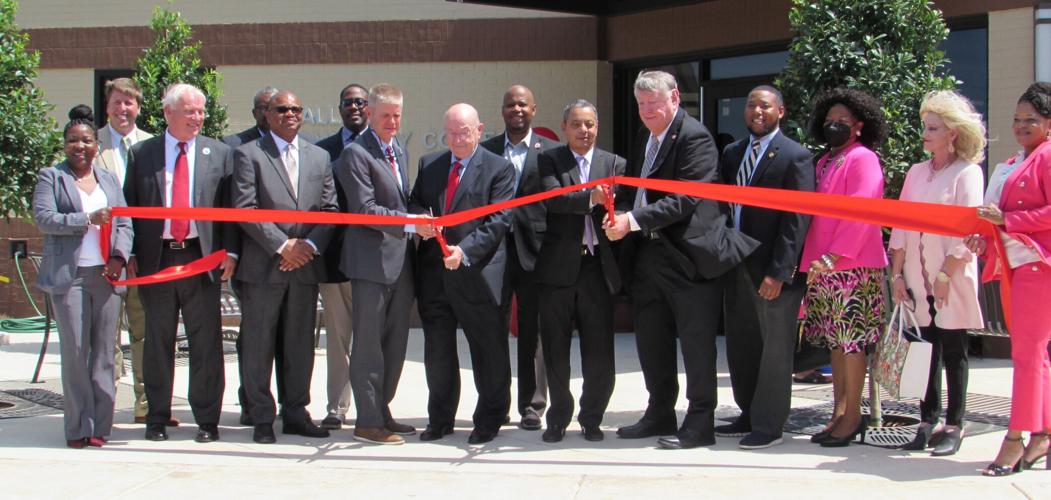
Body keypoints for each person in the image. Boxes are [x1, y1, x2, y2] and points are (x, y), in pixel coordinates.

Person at [605, 70, 758, 450]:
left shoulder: (695, 137)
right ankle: (659, 412)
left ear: (674, 98)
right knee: (652, 340)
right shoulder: (646, 135)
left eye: (653, 104)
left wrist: (632, 220)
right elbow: (635, 186)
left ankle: (700, 421)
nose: (646, 112)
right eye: (640, 105)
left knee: (696, 343)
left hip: (689, 259)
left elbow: (685, 199)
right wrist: (618, 211)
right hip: (648, 255)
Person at [124, 83, 239, 443]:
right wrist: (128, 254)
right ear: (168, 113)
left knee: (206, 342)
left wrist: (231, 253)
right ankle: (156, 415)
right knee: (157, 341)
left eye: (201, 111)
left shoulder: (219, 153)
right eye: (190, 111)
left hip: (201, 258)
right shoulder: (142, 153)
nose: (197, 118)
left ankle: (207, 418)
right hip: (156, 260)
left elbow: (231, 211)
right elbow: (129, 207)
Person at [233, 90, 338, 444]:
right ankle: (262, 416)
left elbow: (330, 210)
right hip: (264, 267)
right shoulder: (248, 155)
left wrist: (307, 246)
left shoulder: (320, 156)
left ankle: (295, 413)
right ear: (267, 115)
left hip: (304, 268)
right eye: (281, 109)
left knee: (299, 346)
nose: (289, 113)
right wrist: (282, 246)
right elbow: (245, 209)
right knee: (258, 346)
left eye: (296, 108)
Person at [410, 103, 515, 445]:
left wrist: (465, 251)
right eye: (451, 132)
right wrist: (418, 224)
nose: (456, 139)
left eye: (464, 132)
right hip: (435, 277)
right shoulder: (431, 165)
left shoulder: (499, 169)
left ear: (480, 130)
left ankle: (490, 417)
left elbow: (498, 220)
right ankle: (440, 419)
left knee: (488, 352)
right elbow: (416, 204)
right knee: (437, 353)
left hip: (478, 274)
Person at [889, 90, 986, 457]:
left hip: (952, 275)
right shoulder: (916, 172)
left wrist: (947, 273)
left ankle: (955, 424)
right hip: (916, 273)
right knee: (924, 349)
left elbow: (970, 227)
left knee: (954, 351)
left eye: (933, 128)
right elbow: (899, 224)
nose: (925, 134)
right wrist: (896, 275)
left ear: (953, 133)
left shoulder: (968, 173)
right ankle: (926, 420)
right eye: (925, 127)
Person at [717, 85, 815, 449]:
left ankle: (770, 424)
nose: (757, 111)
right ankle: (748, 413)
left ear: (781, 111)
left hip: (772, 271)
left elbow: (797, 219)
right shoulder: (732, 153)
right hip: (736, 263)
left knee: (774, 350)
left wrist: (780, 272)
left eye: (765, 106)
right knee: (743, 345)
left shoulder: (795, 156)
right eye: (751, 105)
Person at [33, 105, 132, 449]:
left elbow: (123, 222)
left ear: (95, 144)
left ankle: (100, 426)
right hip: (69, 277)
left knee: (106, 353)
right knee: (77, 353)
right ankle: (77, 426)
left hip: (105, 276)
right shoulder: (52, 177)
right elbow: (45, 219)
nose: (80, 146)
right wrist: (87, 218)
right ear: (65, 145)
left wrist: (119, 257)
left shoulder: (108, 179)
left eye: (86, 140)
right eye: (73, 140)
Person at [967, 82, 1051, 476]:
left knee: (1027, 355)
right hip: (1016, 265)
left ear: (1048, 123)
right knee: (1036, 357)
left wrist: (1009, 221)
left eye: (1030, 120)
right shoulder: (1018, 160)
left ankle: (1015, 437)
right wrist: (985, 236)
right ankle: (1043, 434)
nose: (1021, 126)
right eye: (1017, 119)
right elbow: (996, 218)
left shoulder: (1048, 157)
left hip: (1039, 267)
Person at [335, 83, 426, 445]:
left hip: (400, 260)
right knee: (369, 343)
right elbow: (364, 210)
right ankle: (368, 421)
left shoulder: (397, 150)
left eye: (398, 115)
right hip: (370, 263)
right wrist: (410, 223)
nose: (392, 122)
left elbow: (402, 200)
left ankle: (382, 410)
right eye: (385, 115)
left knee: (395, 342)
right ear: (369, 113)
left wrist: (418, 221)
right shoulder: (355, 154)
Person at [800, 87, 888, 448]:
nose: (834, 126)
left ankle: (854, 416)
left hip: (852, 266)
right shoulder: (823, 161)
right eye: (829, 121)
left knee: (851, 345)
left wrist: (836, 257)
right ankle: (838, 412)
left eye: (843, 122)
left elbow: (863, 210)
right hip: (823, 269)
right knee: (836, 346)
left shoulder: (862, 158)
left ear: (859, 126)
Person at [534, 99, 624, 443]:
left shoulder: (614, 164)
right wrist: (590, 197)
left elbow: (625, 212)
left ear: (596, 128)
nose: (583, 131)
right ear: (564, 128)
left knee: (599, 352)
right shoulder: (549, 160)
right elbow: (553, 199)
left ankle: (592, 417)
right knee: (556, 350)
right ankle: (558, 418)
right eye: (576, 124)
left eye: (589, 124)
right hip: (558, 270)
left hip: (597, 269)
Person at [480, 84, 559, 431]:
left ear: (534, 109)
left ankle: (532, 405)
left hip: (534, 252)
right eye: (510, 105)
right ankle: (496, 405)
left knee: (532, 331)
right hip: (493, 253)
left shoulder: (552, 152)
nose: (516, 110)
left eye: (522, 104)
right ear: (502, 111)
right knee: (492, 330)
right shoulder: (486, 151)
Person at [93, 77, 156, 425]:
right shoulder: (92, 144)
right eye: (116, 102)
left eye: (129, 103)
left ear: (138, 107)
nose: (122, 109)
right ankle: (105, 405)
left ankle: (145, 404)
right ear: (107, 106)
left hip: (142, 260)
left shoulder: (151, 145)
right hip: (104, 258)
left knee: (143, 331)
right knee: (106, 335)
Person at [316, 82, 370, 431]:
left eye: (361, 102)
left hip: (372, 259)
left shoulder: (384, 148)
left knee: (370, 337)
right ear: (340, 109)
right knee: (337, 338)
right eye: (348, 102)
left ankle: (372, 405)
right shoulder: (323, 152)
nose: (354, 107)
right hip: (334, 259)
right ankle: (337, 406)